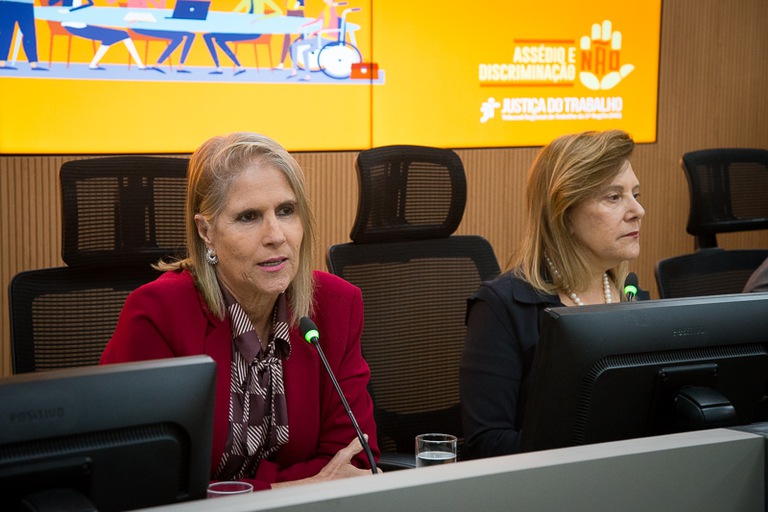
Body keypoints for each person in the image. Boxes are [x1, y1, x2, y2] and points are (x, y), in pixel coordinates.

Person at [100, 132, 380, 489]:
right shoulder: (158, 315)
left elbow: (355, 461)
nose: (275, 235)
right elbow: (142, 482)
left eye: (286, 211)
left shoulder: (336, 306)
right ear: (206, 232)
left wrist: (234, 490)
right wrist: (287, 487)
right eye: (249, 217)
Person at [459, 129, 648, 459]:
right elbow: (488, 445)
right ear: (565, 214)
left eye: (635, 194)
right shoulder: (502, 308)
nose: (638, 210)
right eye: (613, 197)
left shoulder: (633, 297)